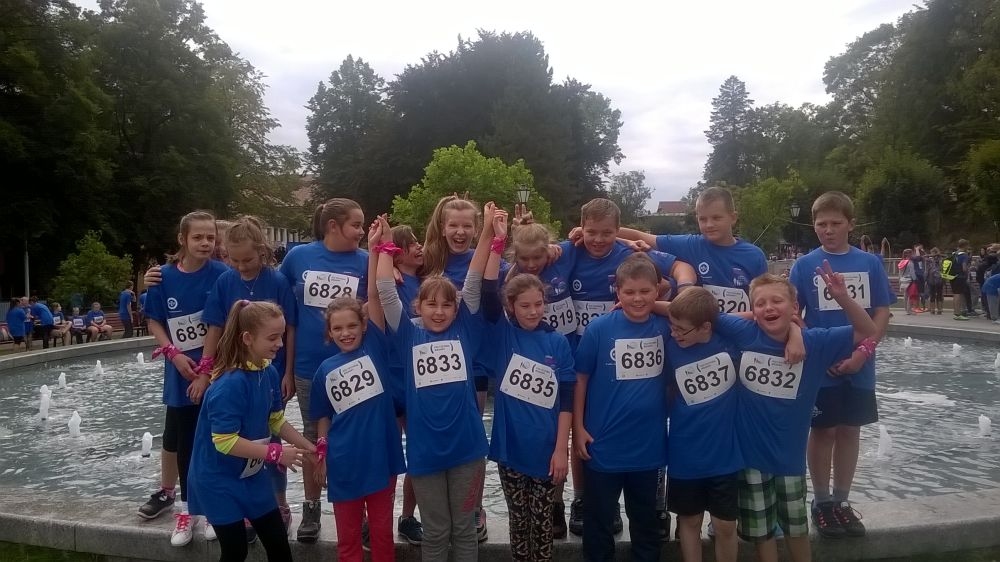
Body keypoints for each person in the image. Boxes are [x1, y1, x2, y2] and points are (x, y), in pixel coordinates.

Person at [714, 269, 876, 562]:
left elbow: (867, 331)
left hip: (789, 460)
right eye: (760, 303)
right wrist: (791, 327)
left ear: (795, 306)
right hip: (750, 459)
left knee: (796, 529)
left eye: (777, 301)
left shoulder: (816, 343)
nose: (769, 308)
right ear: (752, 310)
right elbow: (706, 314)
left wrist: (842, 298)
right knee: (762, 534)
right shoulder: (745, 333)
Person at [374, 204, 500, 562]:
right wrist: (385, 247)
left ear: (457, 310)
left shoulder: (465, 329)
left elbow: (473, 280)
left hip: (467, 449)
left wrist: (487, 231)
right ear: (418, 307)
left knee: (464, 530)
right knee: (435, 532)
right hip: (425, 451)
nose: (440, 311)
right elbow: (385, 291)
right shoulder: (408, 335)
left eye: (447, 305)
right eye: (431, 304)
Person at [565, 198, 694, 537]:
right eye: (591, 232)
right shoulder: (570, 250)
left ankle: (656, 502)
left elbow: (681, 268)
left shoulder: (630, 254)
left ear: (617, 230)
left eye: (607, 233)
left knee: (649, 420)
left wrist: (678, 297)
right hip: (586, 351)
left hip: (633, 336)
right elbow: (534, 262)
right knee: (584, 434)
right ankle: (582, 499)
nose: (598, 239)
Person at [788, 191, 895, 540]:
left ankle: (842, 500)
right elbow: (794, 313)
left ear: (851, 224)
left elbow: (882, 310)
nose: (828, 230)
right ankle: (821, 502)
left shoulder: (869, 263)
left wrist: (863, 351)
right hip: (823, 366)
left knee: (850, 430)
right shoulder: (805, 265)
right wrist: (819, 350)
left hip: (862, 362)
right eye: (822, 224)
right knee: (823, 431)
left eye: (836, 223)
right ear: (814, 226)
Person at [186, 300, 314, 562]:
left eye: (281, 336)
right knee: (235, 551)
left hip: (251, 476)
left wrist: (309, 447)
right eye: (272, 338)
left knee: (279, 545)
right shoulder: (228, 385)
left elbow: (276, 421)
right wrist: (276, 453)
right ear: (247, 338)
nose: (280, 343)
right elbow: (224, 442)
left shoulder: (268, 372)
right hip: (218, 480)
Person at [311, 220, 406, 562]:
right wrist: (322, 452)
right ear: (329, 332)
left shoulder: (375, 347)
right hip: (344, 460)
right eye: (338, 328)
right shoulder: (325, 370)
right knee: (348, 538)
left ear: (364, 325)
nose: (346, 332)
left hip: (381, 455)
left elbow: (374, 295)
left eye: (352, 325)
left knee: (381, 533)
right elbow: (322, 416)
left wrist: (376, 248)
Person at [200, 216, 299, 532]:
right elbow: (215, 327)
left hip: (270, 373)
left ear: (262, 252)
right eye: (235, 260)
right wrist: (205, 371)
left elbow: (290, 329)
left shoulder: (277, 281)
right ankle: (241, 504)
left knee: (270, 433)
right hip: (236, 371)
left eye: (248, 260)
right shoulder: (225, 281)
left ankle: (279, 503)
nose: (241, 266)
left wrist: (288, 372)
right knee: (239, 436)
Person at [278, 198, 368, 543]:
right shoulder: (298, 257)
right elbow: (276, 302)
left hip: (353, 366)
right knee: (313, 435)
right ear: (333, 226)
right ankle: (311, 508)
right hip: (307, 367)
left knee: (354, 436)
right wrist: (286, 370)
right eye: (356, 225)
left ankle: (359, 509)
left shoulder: (367, 260)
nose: (361, 231)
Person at [139, 210, 228, 547]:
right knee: (178, 435)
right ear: (182, 239)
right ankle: (181, 503)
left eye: (210, 237)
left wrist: (206, 369)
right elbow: (154, 321)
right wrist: (174, 355)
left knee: (213, 437)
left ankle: (210, 506)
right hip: (180, 371)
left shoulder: (222, 274)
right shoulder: (161, 278)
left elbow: (220, 323)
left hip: (214, 372)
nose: (205, 243)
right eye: (198, 237)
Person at [574, 254, 669, 562]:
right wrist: (578, 428)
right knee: (598, 522)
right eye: (629, 292)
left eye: (645, 291)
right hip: (603, 445)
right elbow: (580, 380)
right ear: (617, 292)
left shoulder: (667, 327)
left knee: (645, 522)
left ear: (657, 291)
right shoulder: (599, 329)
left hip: (648, 447)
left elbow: (702, 312)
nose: (637, 298)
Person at [480, 258, 575, 562]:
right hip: (510, 449)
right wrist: (494, 243)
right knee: (519, 522)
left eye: (538, 304)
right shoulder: (504, 335)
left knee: (543, 523)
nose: (533, 311)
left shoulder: (557, 342)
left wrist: (561, 450)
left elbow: (567, 400)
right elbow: (487, 293)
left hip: (546, 451)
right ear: (511, 307)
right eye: (525, 306)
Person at [660, 287, 741, 562]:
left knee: (725, 525)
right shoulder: (670, 348)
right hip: (685, 453)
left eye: (681, 330)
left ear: (706, 326)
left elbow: (760, 323)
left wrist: (795, 332)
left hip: (724, 455)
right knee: (689, 521)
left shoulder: (730, 344)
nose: (675, 334)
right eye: (672, 327)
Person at [616, 186, 769, 314]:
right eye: (703, 219)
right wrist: (621, 239)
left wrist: (726, 320)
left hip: (740, 332)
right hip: (700, 333)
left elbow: (763, 304)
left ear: (733, 218)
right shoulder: (690, 244)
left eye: (716, 218)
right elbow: (637, 235)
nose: (709, 224)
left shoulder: (754, 256)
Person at [388, 223, 426, 544]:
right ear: (397, 253)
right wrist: (386, 263)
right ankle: (376, 517)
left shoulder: (426, 283)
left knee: (417, 451)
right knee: (385, 452)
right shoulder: (392, 282)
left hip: (418, 379)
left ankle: (407, 516)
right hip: (390, 377)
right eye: (412, 243)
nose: (419, 246)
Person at [943, 239, 972, 320]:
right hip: (960, 277)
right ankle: (958, 313)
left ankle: (957, 312)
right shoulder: (964, 255)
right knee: (958, 294)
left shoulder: (954, 254)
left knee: (955, 294)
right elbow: (964, 268)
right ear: (965, 245)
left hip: (952, 276)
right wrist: (968, 270)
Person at [925, 248, 945, 315]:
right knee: (937, 295)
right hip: (935, 279)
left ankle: (935, 310)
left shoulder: (940, 260)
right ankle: (937, 309)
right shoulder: (940, 260)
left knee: (935, 295)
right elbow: (924, 257)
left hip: (935, 279)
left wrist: (938, 254)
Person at [898, 249, 917, 315]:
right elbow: (912, 272)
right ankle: (909, 310)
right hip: (909, 280)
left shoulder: (901, 262)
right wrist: (915, 279)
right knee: (909, 295)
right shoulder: (910, 262)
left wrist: (900, 280)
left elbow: (900, 273)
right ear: (910, 254)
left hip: (903, 280)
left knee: (905, 295)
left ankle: (906, 309)